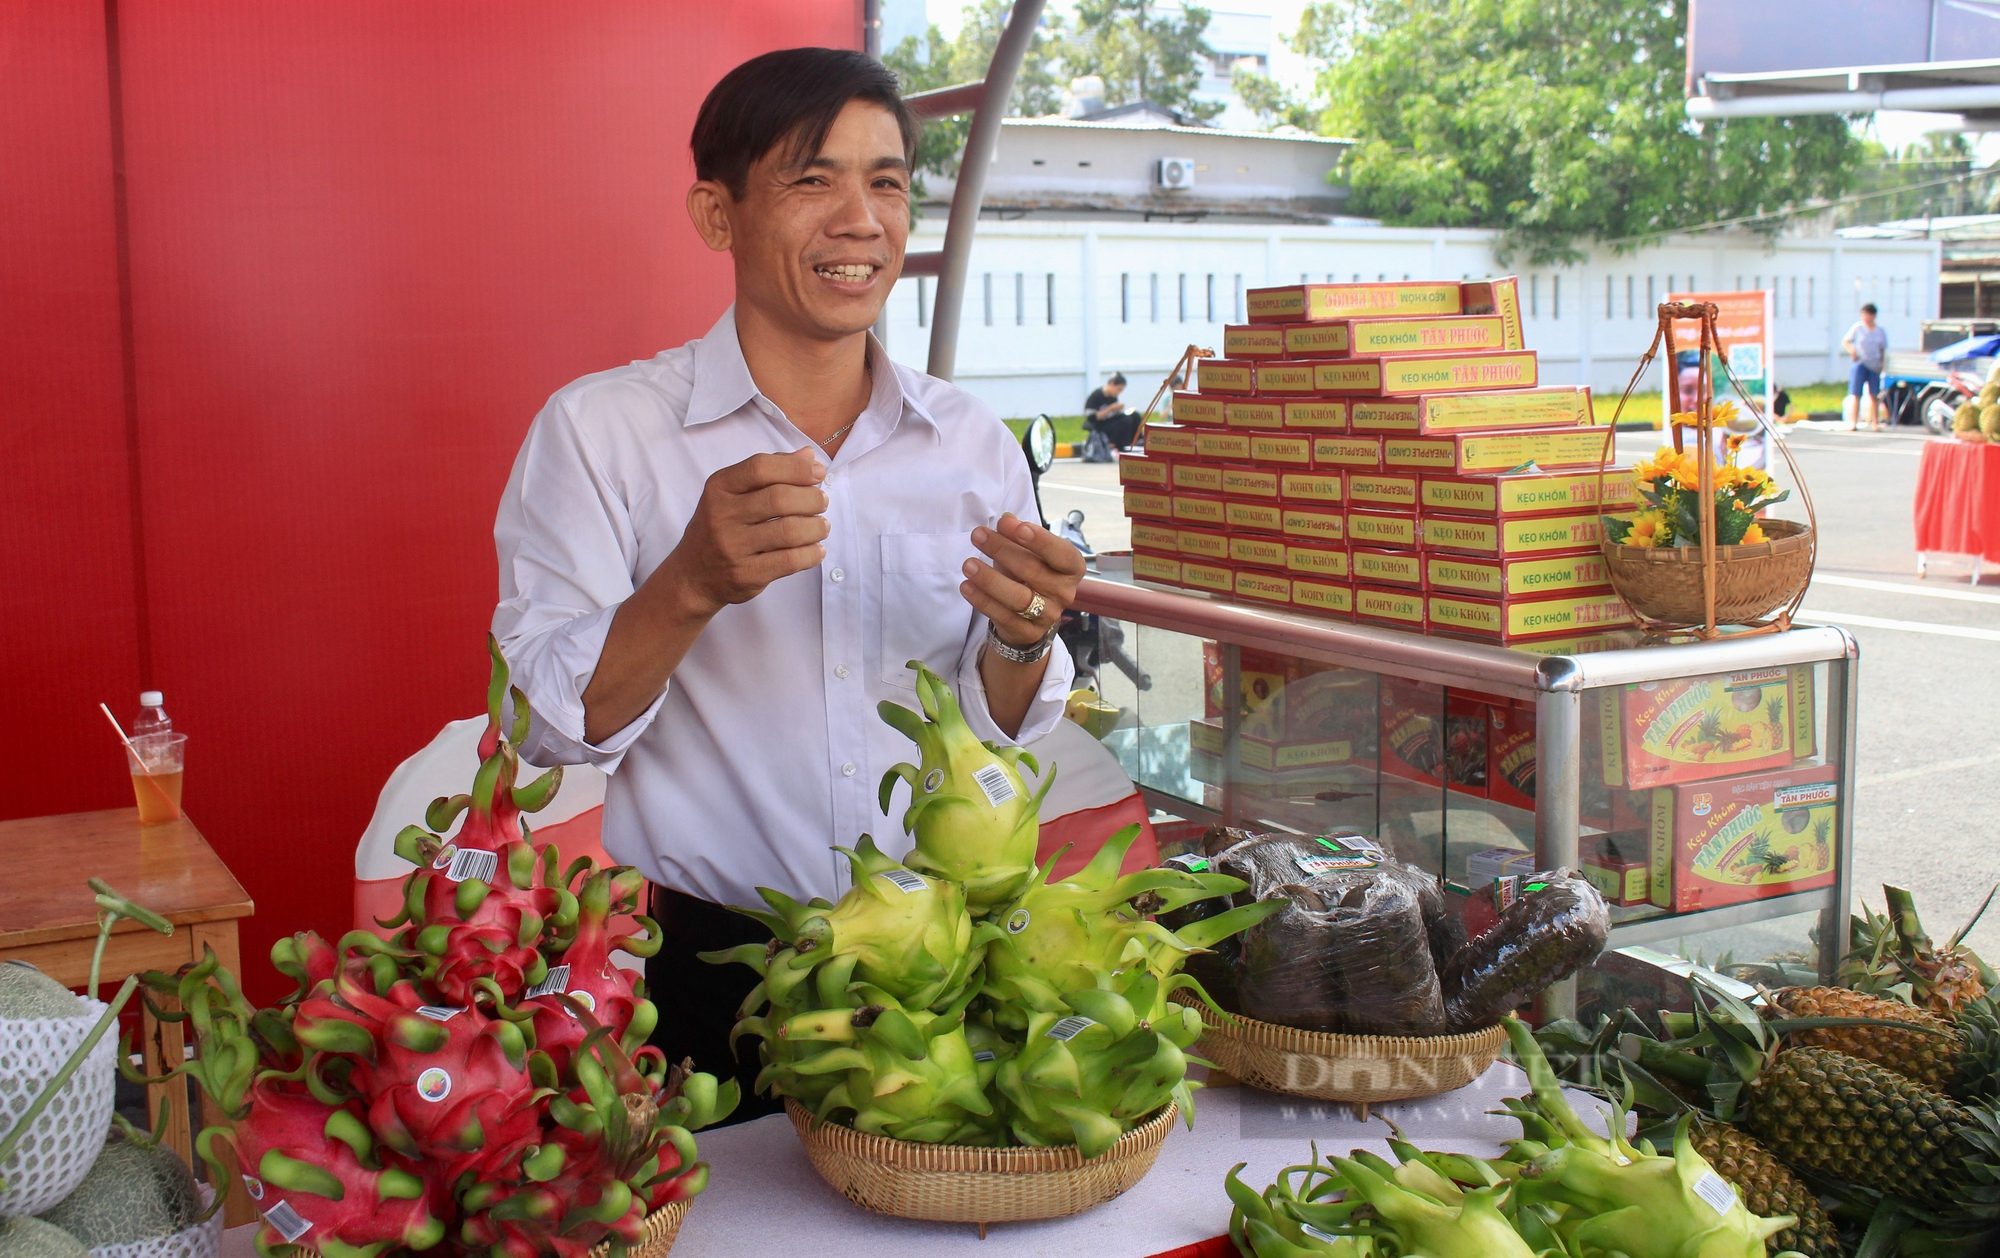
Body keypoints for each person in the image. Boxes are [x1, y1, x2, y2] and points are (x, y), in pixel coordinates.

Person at [491, 48, 1083, 1120]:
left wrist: (1023, 640)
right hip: (710, 971)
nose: (861, 218)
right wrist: (688, 582)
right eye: (812, 179)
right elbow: (545, 729)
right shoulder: (602, 432)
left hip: (937, 965)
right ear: (716, 215)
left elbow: (996, 733)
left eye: (888, 180)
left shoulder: (970, 443)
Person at [1842, 302, 1888, 432]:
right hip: (1860, 363)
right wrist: (1852, 351)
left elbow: (1883, 349)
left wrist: (1882, 365)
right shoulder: (1858, 328)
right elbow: (1845, 341)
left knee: (1874, 395)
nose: (1865, 317)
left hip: (1874, 365)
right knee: (1856, 394)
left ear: (1873, 316)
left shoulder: (1880, 331)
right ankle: (1853, 422)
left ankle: (1875, 423)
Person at [1082, 373, 1139, 452]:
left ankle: (1136, 440)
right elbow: (1091, 417)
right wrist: (1110, 409)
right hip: (1099, 425)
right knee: (1125, 421)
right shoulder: (1096, 396)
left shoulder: (1113, 397)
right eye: (1118, 389)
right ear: (1112, 384)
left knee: (1134, 416)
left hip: (1110, 421)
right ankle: (1114, 444)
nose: (1119, 392)